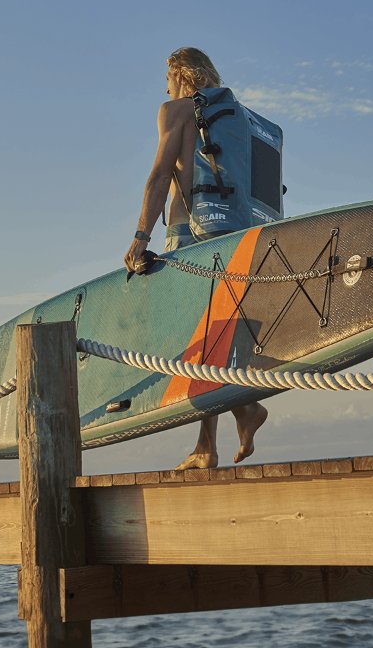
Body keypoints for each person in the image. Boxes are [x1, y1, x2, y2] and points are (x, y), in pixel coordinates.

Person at [124, 47, 267, 470]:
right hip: (237, 231)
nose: (164, 87)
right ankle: (223, 429)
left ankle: (235, 419)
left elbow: (160, 174)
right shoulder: (237, 117)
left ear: (179, 74)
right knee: (212, 338)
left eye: (166, 78)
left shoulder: (176, 110)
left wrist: (138, 238)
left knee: (192, 339)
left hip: (189, 234)